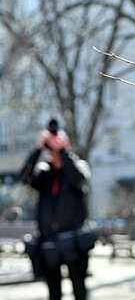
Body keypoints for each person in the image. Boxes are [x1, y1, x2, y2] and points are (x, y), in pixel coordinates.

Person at [19, 119, 92, 300]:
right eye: (51, 150)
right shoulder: (45, 173)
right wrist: (38, 149)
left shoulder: (77, 167)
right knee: (53, 292)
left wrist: (63, 150)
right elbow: (24, 177)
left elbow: (78, 180)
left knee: (79, 288)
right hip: (49, 243)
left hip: (73, 242)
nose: (54, 154)